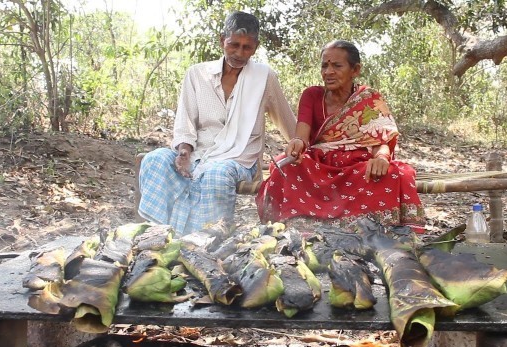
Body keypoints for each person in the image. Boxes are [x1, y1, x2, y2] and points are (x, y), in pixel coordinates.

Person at [139, 11, 296, 235]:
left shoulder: (264, 76)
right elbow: (185, 123)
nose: (239, 53)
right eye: (233, 45)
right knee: (155, 159)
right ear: (222, 40)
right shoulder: (196, 74)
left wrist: (301, 145)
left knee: (216, 173)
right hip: (200, 152)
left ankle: (210, 240)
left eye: (247, 47)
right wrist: (184, 152)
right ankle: (162, 233)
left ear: (256, 46)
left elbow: (287, 123)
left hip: (239, 158)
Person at [256, 40, 425, 233]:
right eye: (324, 65)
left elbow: (381, 140)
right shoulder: (311, 95)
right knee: (284, 166)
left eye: (337, 66)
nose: (328, 72)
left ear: (355, 70)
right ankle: (295, 228)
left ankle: (374, 230)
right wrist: (296, 144)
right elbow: (301, 137)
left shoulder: (369, 99)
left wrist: (381, 158)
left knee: (398, 173)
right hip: (320, 165)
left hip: (357, 164)